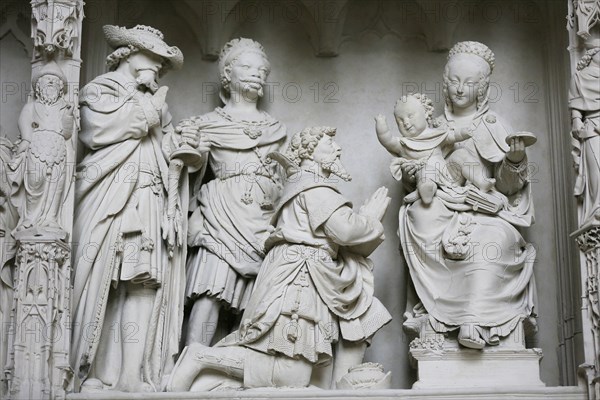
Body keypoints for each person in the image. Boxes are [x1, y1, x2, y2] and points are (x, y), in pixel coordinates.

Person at [167, 126, 391, 391]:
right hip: (299, 278)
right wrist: (371, 220)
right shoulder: (313, 186)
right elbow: (345, 230)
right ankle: (200, 356)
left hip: (306, 274)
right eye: (329, 144)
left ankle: (208, 372)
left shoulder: (305, 185)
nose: (338, 149)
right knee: (291, 375)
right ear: (310, 153)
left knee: (296, 375)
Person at [71, 25, 207, 392]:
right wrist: (150, 111)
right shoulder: (99, 90)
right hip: (108, 197)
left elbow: (168, 150)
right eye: (155, 58)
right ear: (129, 53)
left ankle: (133, 373)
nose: (160, 67)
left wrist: (187, 145)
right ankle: (91, 371)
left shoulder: (155, 102)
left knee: (142, 279)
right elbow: (96, 131)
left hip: (148, 196)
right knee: (102, 276)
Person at [399, 41, 537, 350]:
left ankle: (473, 322)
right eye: (454, 81)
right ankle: (435, 319)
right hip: (442, 204)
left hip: (484, 211)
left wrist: (514, 162)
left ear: (483, 88)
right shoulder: (431, 125)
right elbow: (417, 170)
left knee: (494, 240)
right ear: (445, 82)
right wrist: (413, 175)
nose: (460, 89)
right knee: (417, 215)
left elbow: (508, 188)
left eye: (470, 83)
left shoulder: (494, 125)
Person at [184, 38, 287, 346]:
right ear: (227, 74)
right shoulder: (207, 125)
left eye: (261, 69)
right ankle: (191, 358)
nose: (256, 74)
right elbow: (185, 174)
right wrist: (191, 150)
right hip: (221, 215)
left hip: (262, 218)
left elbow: (283, 180)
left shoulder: (275, 128)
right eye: (246, 66)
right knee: (210, 288)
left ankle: (240, 364)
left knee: (258, 297)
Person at [374, 93, 478, 205]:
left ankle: (481, 181)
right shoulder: (403, 144)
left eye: (410, 116)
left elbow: (452, 136)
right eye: (400, 120)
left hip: (448, 176)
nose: (405, 122)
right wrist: (381, 125)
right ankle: (425, 191)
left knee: (461, 154)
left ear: (425, 112)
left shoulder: (436, 134)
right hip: (426, 174)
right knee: (426, 173)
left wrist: (465, 132)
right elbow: (387, 140)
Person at [9, 62, 75, 235]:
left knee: (55, 184)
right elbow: (24, 125)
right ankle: (30, 219)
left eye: (55, 80)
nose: (51, 83)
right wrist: (25, 141)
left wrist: (68, 117)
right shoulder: (31, 107)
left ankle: (51, 219)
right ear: (39, 86)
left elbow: (67, 133)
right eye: (47, 80)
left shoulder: (64, 108)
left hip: (58, 149)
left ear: (61, 87)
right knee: (35, 183)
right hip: (37, 148)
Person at [569, 44, 599, 229]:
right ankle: (597, 206)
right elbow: (575, 105)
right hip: (592, 129)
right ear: (593, 54)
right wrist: (576, 120)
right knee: (596, 168)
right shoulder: (579, 77)